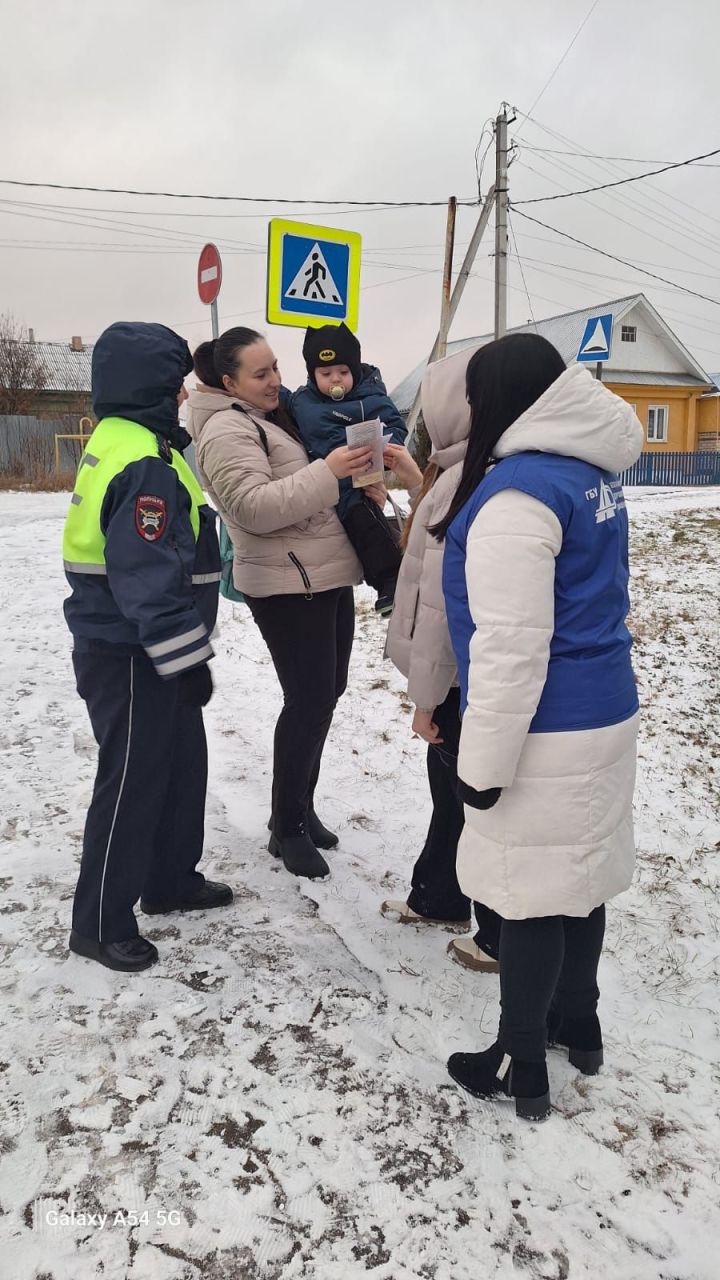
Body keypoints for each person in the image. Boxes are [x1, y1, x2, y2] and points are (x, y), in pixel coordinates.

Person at [438, 333, 643, 1120]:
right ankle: (577, 1025)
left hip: (543, 728)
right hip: (604, 706)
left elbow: (512, 649)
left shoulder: (517, 496)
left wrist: (481, 766)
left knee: (526, 896)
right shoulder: (587, 472)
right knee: (580, 879)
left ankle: (518, 1064)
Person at [63, 321, 228, 974]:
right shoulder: (145, 462)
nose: (186, 390)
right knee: (131, 781)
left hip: (141, 648)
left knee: (181, 761)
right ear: (152, 384)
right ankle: (100, 923)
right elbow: (147, 581)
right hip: (132, 652)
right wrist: (186, 661)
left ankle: (170, 879)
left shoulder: (127, 438)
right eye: (177, 379)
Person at [186, 327, 378, 881]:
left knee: (325, 693)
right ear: (229, 382)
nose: (275, 381)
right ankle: (286, 827)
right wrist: (329, 472)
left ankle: (298, 807)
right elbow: (251, 507)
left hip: (320, 572)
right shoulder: (226, 427)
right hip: (286, 583)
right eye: (260, 373)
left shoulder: (264, 418)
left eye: (275, 368)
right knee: (308, 698)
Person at [382, 347, 501, 972]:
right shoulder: (459, 469)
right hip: (462, 673)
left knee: (466, 793)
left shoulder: (465, 479)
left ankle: (490, 928)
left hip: (459, 675)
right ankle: (440, 894)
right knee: (449, 788)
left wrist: (427, 697)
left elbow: (439, 606)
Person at [285, 323, 406, 615]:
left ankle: (391, 581)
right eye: (325, 374)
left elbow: (395, 427)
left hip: (357, 478)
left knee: (363, 518)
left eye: (343, 372)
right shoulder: (302, 401)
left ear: (355, 369)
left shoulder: (371, 397)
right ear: (312, 375)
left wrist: (381, 451)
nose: (334, 380)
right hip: (320, 478)